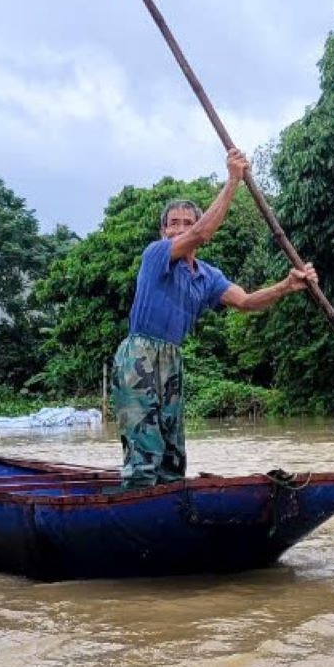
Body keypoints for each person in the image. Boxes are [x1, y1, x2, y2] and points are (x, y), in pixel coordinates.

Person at [114, 148, 318, 488]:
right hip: (140, 356)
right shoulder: (156, 255)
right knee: (144, 449)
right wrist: (233, 180)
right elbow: (201, 235)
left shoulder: (206, 275)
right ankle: (133, 506)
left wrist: (287, 285)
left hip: (172, 359)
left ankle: (169, 507)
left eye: (187, 223)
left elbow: (247, 301)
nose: (180, 230)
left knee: (172, 455)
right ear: (163, 231)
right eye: (173, 224)